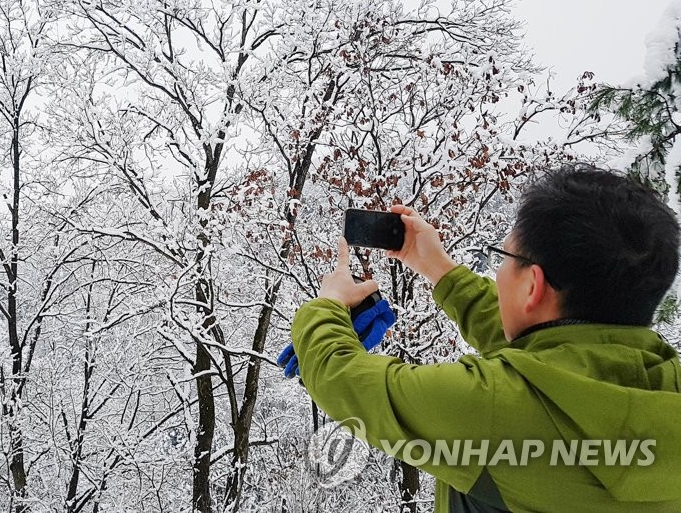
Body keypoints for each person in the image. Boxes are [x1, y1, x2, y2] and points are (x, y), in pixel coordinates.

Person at [290, 164, 681, 512]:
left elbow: (341, 376)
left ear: (532, 285)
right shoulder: (666, 388)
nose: (498, 273)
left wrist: (329, 303)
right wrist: (436, 266)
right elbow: (548, 349)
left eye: (505, 258)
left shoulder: (490, 407)